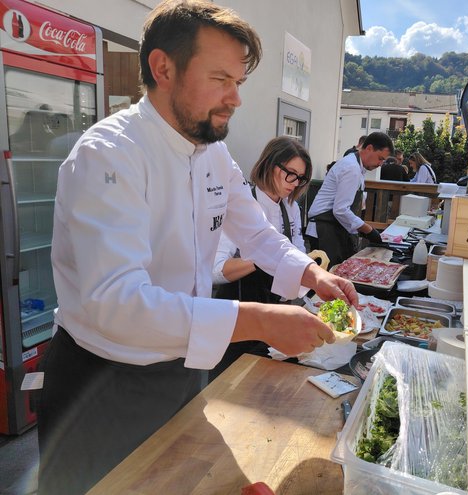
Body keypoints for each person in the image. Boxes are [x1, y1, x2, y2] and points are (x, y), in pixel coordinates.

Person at [36, 2, 357, 494]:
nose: (235, 99)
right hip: (100, 386)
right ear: (163, 67)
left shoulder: (213, 152)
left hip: (182, 370)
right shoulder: (108, 155)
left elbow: (256, 232)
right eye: (221, 79)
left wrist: (312, 275)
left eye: (239, 83)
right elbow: (116, 304)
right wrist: (260, 320)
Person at [211, 136, 311, 375]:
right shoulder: (241, 204)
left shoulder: (291, 207)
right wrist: (265, 255)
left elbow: (297, 250)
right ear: (270, 164)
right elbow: (215, 271)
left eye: (301, 178)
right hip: (239, 315)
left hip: (274, 310)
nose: (295, 183)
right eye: (291, 174)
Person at [306, 131, 393, 267]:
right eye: (380, 158)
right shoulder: (351, 168)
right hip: (324, 228)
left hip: (332, 226)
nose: (381, 164)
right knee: (327, 277)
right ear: (369, 148)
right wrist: (368, 230)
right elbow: (340, 210)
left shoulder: (356, 165)